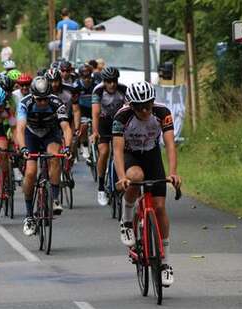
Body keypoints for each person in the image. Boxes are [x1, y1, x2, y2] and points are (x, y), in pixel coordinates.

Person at [113, 81, 181, 286]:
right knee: (135, 176)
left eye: (148, 105)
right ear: (131, 105)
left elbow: (169, 144)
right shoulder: (122, 117)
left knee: (160, 207)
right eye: (139, 106)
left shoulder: (162, 112)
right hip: (130, 154)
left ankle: (166, 263)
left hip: (152, 155)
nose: (144, 110)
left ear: (153, 102)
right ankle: (126, 221)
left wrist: (173, 173)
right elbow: (117, 150)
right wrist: (121, 177)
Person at [16, 77, 72, 235]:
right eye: (39, 100)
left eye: (45, 99)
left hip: (50, 133)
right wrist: (24, 148)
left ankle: (54, 199)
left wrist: (67, 147)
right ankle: (28, 216)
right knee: (30, 172)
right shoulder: (24, 103)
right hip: (31, 135)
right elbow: (20, 129)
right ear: (33, 96)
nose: (42, 103)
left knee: (55, 157)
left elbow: (66, 128)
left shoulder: (56, 102)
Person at [91, 66, 127, 206]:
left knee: (122, 152)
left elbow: (129, 109)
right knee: (104, 151)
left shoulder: (124, 89)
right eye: (108, 81)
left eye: (114, 81)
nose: (112, 84)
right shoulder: (98, 91)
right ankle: (101, 187)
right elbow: (95, 114)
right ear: (104, 81)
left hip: (119, 122)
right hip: (104, 123)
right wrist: (95, 132)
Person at [73, 63, 98, 159]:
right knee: (83, 126)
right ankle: (85, 145)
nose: (87, 79)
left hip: (93, 108)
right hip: (82, 109)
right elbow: (75, 106)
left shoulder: (95, 85)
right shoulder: (76, 86)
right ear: (80, 77)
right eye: (84, 77)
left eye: (88, 77)